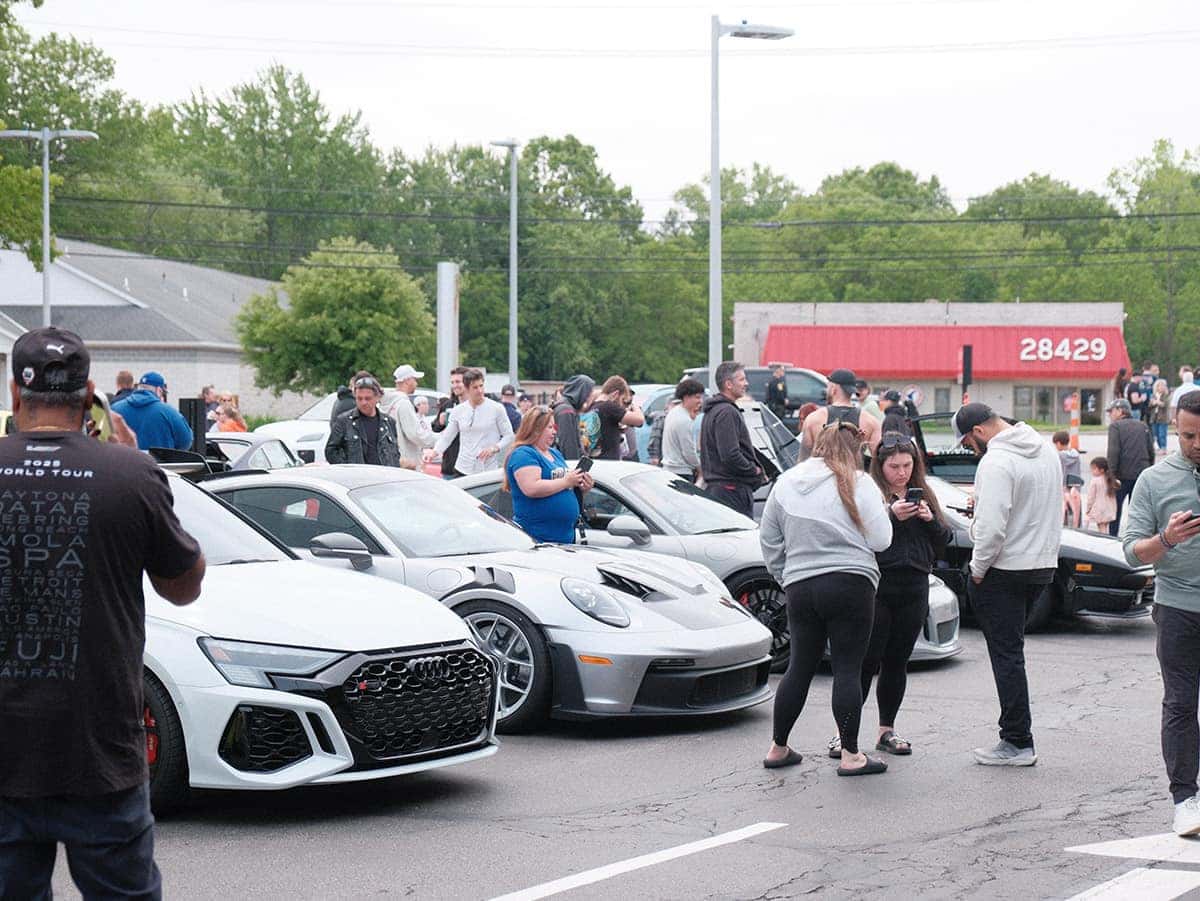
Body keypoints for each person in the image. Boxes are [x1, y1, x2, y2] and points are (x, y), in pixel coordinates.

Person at [0, 326, 206, 899]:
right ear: (90, 393)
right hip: (100, 755)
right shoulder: (131, 474)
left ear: (17, 395)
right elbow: (183, 587)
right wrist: (139, 465)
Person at [760, 422, 893, 775]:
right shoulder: (858, 482)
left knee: (799, 665)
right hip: (851, 583)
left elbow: (769, 537)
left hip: (801, 585)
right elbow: (881, 540)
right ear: (854, 450)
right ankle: (851, 755)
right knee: (848, 668)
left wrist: (785, 575)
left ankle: (778, 746)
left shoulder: (786, 482)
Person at [828, 431, 952, 759]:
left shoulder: (923, 492)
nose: (901, 472)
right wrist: (890, 516)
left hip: (915, 584)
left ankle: (887, 730)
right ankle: (843, 734)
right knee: (866, 661)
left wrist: (928, 520)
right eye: (894, 466)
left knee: (898, 661)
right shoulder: (869, 493)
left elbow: (945, 539)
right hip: (879, 584)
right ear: (880, 466)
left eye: (907, 465)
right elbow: (858, 536)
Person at [954, 403, 1061, 766]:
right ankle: (1017, 738)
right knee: (1013, 652)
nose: (971, 450)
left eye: (969, 443)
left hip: (1004, 568)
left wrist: (978, 567)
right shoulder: (1045, 449)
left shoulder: (996, 461)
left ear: (979, 432)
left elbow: (993, 527)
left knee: (1007, 656)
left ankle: (1017, 740)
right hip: (1041, 565)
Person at [1121, 391, 1200, 836]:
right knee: (1181, 703)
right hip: (1178, 607)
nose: (1196, 444)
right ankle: (1185, 799)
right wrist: (1166, 540)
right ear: (1175, 429)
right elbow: (1132, 552)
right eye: (1188, 435)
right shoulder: (1154, 480)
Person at [503, 406, 595, 544]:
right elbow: (532, 488)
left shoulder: (555, 453)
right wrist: (566, 481)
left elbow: (563, 487)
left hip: (565, 538)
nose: (554, 432)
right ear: (535, 429)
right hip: (537, 540)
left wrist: (581, 487)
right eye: (549, 427)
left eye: (554, 427)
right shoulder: (523, 454)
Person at [699, 361, 762, 518]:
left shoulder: (714, 410)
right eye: (741, 379)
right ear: (728, 384)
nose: (746, 383)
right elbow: (729, 454)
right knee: (739, 540)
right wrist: (753, 469)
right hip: (731, 491)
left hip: (722, 489)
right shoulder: (726, 412)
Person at [430, 368, 514, 476]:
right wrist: (434, 452)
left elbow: (509, 436)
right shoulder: (458, 411)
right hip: (462, 468)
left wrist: (494, 448)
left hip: (488, 469)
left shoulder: (497, 408)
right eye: (475, 387)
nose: (479, 390)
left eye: (481, 386)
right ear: (466, 388)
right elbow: (447, 438)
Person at [325, 372, 405, 467]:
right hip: (358, 478)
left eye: (368, 398)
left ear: (377, 397)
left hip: (384, 476)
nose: (363, 402)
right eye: (359, 398)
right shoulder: (344, 421)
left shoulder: (389, 423)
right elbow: (331, 451)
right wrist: (348, 468)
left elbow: (394, 453)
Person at [800, 369, 882, 459]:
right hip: (855, 472)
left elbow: (803, 460)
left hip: (823, 472)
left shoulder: (814, 419)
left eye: (828, 387)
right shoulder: (870, 421)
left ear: (833, 389)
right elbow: (879, 461)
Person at [1105, 397, 1154, 537]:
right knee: (1136, 510)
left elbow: (1113, 452)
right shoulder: (1143, 425)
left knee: (1116, 508)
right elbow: (1150, 451)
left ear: (1120, 411)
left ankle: (1112, 537)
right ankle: (1135, 537)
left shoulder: (1115, 427)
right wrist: (1150, 471)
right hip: (1141, 474)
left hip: (1122, 475)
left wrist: (1111, 476)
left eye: (1111, 411)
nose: (1110, 414)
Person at [111, 371, 194, 452]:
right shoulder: (169, 412)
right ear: (159, 390)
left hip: (124, 464)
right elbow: (186, 441)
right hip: (159, 464)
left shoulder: (115, 409)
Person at [387, 363, 435, 468]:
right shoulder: (403, 403)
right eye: (414, 380)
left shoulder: (389, 403)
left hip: (394, 459)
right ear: (408, 380)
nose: (416, 383)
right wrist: (438, 439)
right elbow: (415, 434)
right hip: (407, 464)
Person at [591, 375, 644, 461]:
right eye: (622, 399)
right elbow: (639, 420)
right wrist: (634, 406)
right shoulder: (608, 406)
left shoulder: (593, 406)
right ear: (616, 394)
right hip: (609, 461)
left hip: (597, 459)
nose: (621, 405)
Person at [662, 378, 704, 480]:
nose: (700, 401)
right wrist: (700, 468)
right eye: (697, 397)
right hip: (681, 472)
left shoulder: (673, 412)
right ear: (686, 397)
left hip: (668, 469)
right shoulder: (684, 420)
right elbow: (688, 452)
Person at [431, 366, 468, 478]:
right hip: (450, 464)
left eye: (458, 382)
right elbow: (435, 428)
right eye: (452, 382)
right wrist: (440, 422)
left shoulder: (476, 406)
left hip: (470, 466)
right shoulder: (448, 405)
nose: (454, 385)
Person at [551, 374, 595, 460]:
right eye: (588, 394)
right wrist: (575, 468)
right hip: (569, 465)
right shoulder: (566, 411)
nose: (589, 397)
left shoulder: (567, 408)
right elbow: (568, 445)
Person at [1052, 431, 1082, 528]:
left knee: (1063, 512)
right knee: (1076, 513)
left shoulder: (1059, 456)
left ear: (1058, 443)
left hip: (1064, 488)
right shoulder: (1076, 455)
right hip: (1075, 488)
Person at [1085, 456, 1118, 533]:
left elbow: (1091, 497)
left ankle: (1104, 542)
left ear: (1102, 470)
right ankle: (1106, 540)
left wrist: (1088, 509)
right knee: (1105, 526)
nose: (1092, 471)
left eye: (1094, 469)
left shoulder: (1095, 481)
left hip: (1099, 509)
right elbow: (1118, 484)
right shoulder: (1109, 480)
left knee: (1101, 528)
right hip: (1109, 508)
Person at [1149, 378, 1171, 455]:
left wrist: (1157, 402)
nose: (1161, 387)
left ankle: (1163, 447)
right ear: (1156, 387)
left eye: (1163, 386)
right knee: (1156, 434)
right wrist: (1154, 403)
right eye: (1160, 386)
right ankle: (1159, 447)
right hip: (1154, 418)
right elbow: (1150, 405)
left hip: (1163, 418)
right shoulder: (1153, 395)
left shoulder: (1166, 395)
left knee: (1162, 434)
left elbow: (1165, 404)